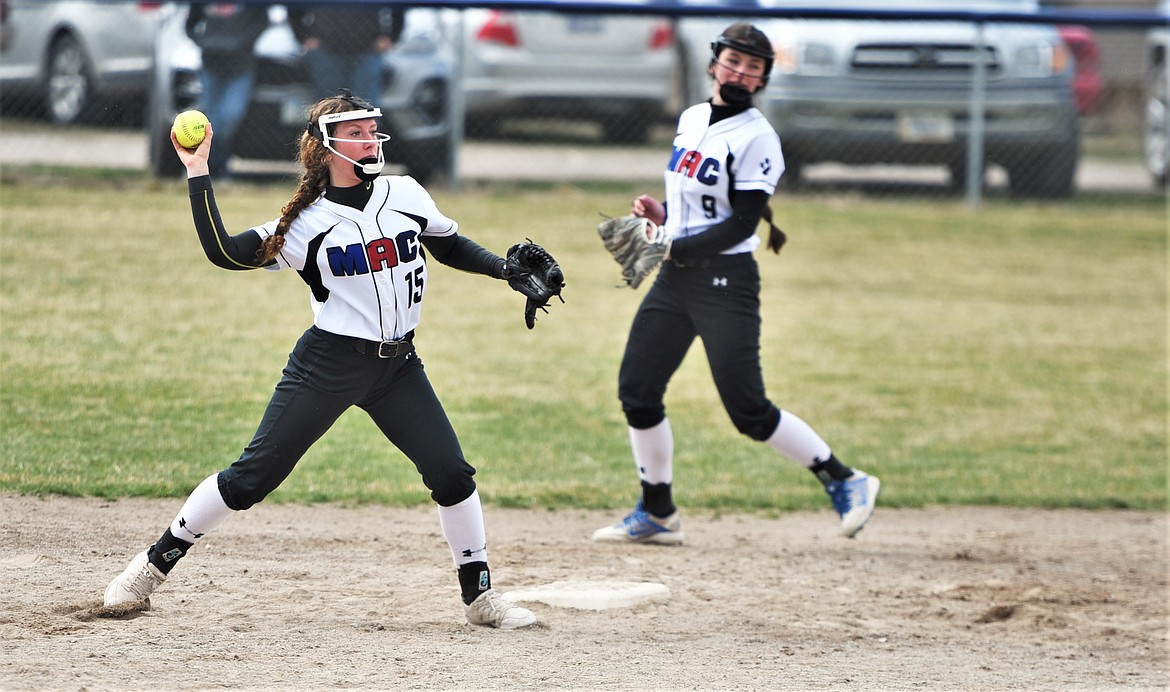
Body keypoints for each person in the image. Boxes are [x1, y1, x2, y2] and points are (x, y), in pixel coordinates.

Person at [103, 90, 540, 629]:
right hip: (327, 364)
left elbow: (445, 243)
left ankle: (480, 599)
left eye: (371, 129)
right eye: (356, 131)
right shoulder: (306, 222)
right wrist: (198, 171)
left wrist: (504, 270)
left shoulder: (404, 192)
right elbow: (224, 250)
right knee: (250, 478)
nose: (370, 138)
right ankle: (150, 567)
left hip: (398, 366)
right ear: (327, 144)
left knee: (452, 473)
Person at [592, 23, 880, 546]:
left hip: (726, 281)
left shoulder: (757, 137)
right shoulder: (693, 118)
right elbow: (696, 205)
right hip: (677, 281)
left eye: (753, 66)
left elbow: (740, 224)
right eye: (733, 60)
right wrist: (662, 215)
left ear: (763, 77)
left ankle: (846, 480)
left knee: (748, 409)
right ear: (714, 63)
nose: (741, 71)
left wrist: (672, 244)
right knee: (637, 391)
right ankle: (658, 513)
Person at [184, 2, 271, 179]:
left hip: (241, 67)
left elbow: (262, 21)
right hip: (210, 65)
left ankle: (217, 168)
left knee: (229, 117)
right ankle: (210, 170)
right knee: (210, 121)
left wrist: (240, 43)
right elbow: (189, 25)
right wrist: (206, 43)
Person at [289, 5, 404, 102]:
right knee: (329, 103)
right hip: (325, 49)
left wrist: (391, 36)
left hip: (368, 49)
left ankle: (363, 129)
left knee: (365, 102)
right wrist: (304, 37)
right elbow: (294, 7)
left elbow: (399, 6)